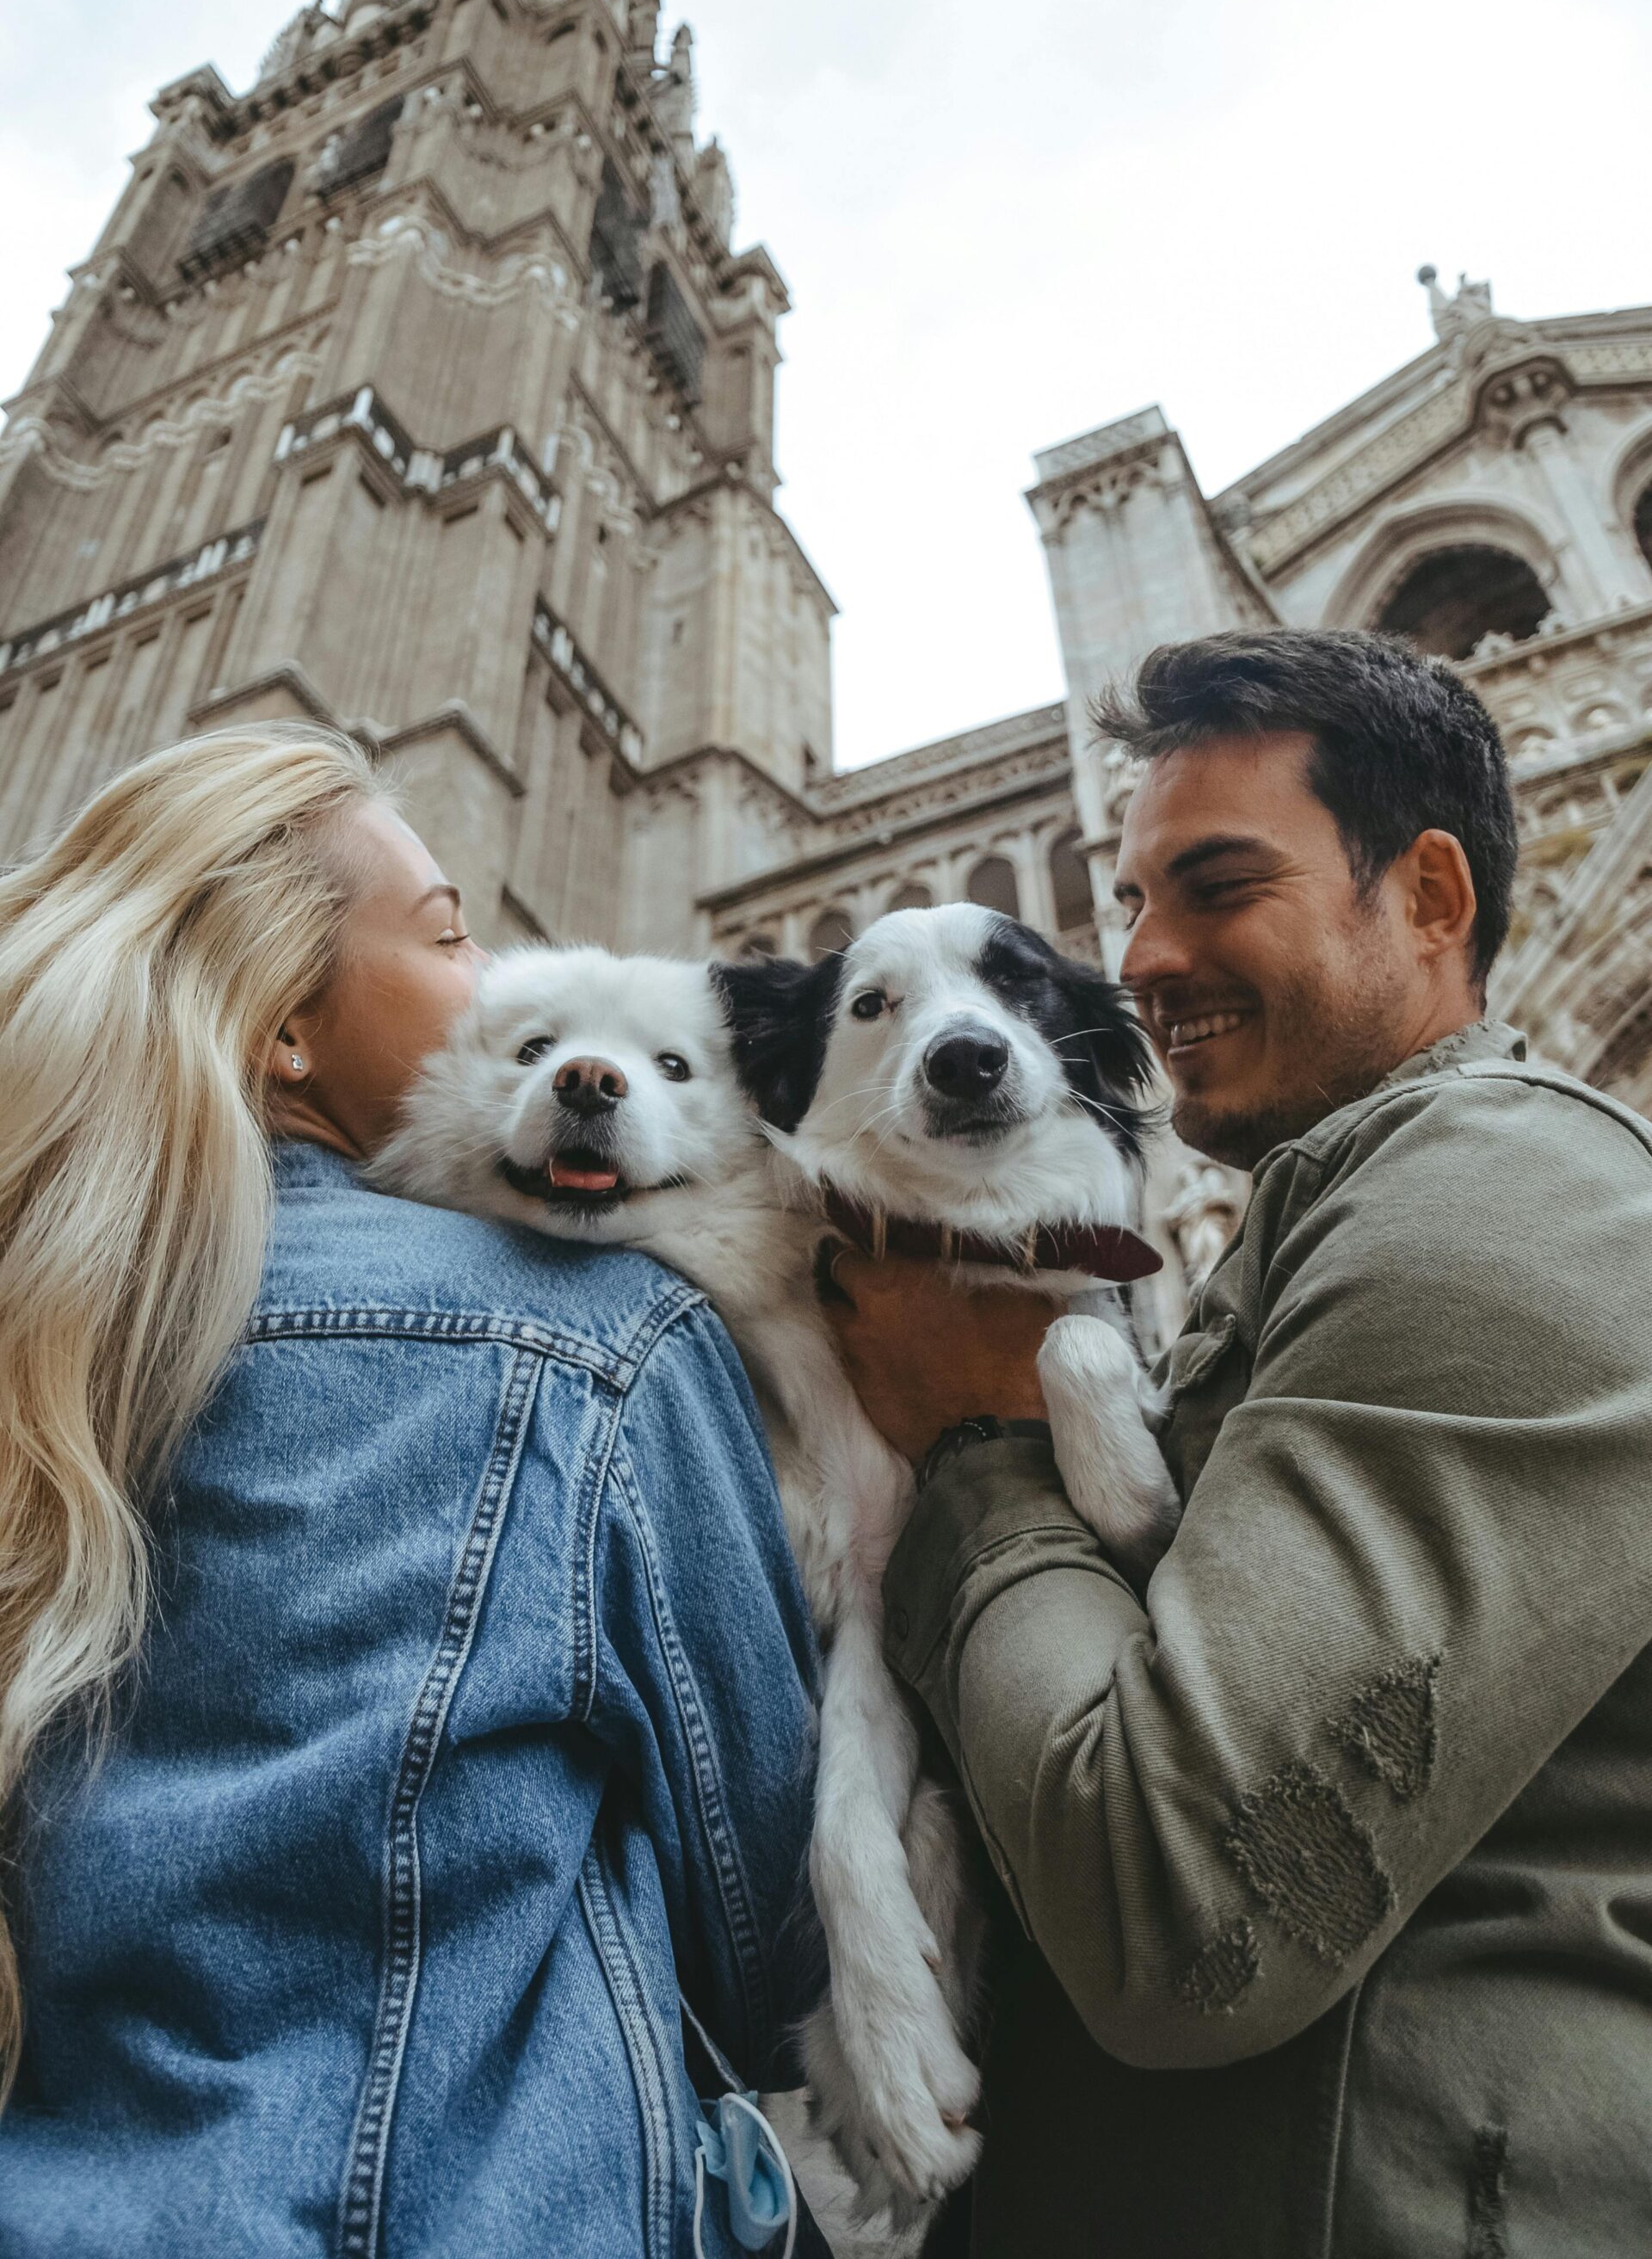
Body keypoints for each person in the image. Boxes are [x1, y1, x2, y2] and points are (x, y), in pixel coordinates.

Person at [830, 631, 1652, 2259]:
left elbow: (1183, 1901)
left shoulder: (1503, 1199)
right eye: (1129, 900)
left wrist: (980, 1432)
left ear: (1429, 896)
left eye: (1217, 886)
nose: (1139, 959)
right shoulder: (1327, 1219)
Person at [0, 726, 821, 2258]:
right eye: (451, 935)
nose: (493, 970)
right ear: (287, 1029)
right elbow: (771, 1928)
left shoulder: (44, 1333)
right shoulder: (591, 1334)